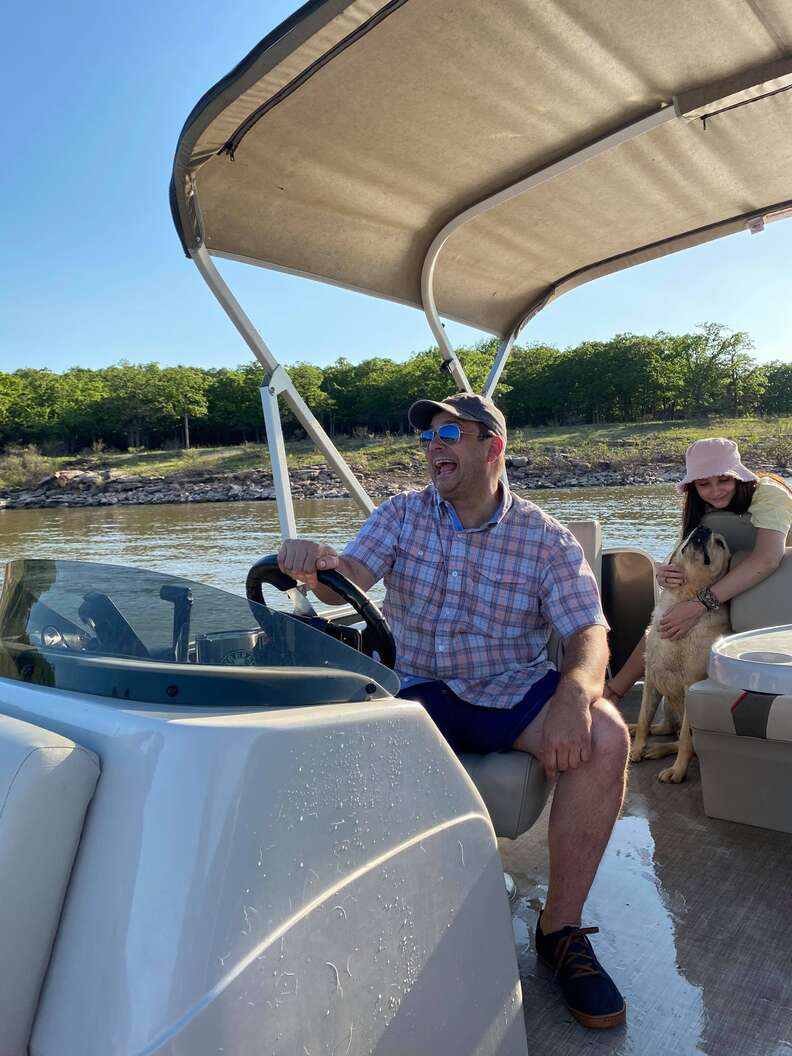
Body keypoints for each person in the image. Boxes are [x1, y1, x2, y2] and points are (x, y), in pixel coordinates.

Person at [278, 393, 630, 1030]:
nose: (433, 447)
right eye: (426, 438)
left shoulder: (545, 538)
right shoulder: (401, 516)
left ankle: (561, 931)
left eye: (449, 434)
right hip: (417, 687)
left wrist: (577, 695)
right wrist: (315, 563)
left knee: (607, 736)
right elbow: (350, 575)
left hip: (507, 686)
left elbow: (588, 631)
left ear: (493, 447)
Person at [605, 436, 792, 703]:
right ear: (694, 486)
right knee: (668, 613)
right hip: (727, 592)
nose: (715, 491)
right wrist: (665, 573)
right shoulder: (700, 507)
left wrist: (699, 605)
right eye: (704, 484)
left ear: (739, 477)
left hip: (777, 596)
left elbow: (767, 559)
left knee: (685, 609)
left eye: (724, 480)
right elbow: (678, 560)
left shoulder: (770, 493)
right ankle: (613, 692)